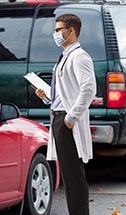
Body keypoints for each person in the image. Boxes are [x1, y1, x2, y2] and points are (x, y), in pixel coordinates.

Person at [35, 13, 96, 215]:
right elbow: (65, 92)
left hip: (67, 120)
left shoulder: (80, 57)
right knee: (69, 175)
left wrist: (70, 119)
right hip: (58, 116)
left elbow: (88, 89)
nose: (55, 34)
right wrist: (47, 98)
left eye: (58, 30)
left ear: (71, 31)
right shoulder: (65, 56)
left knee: (74, 175)